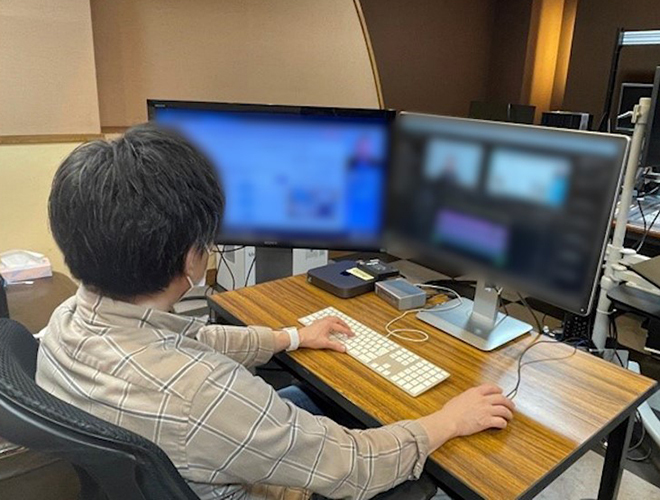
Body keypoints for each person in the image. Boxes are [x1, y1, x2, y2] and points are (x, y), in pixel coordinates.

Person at [37, 124, 515, 500]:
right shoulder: (207, 394)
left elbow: (187, 341)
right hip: (252, 484)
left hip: (176, 466)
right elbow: (355, 467)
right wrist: (448, 421)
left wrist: (291, 338)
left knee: (312, 397)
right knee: (417, 461)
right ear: (191, 258)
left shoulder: (64, 323)